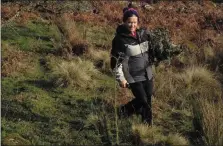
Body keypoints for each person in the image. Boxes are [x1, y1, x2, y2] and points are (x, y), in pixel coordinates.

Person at [110, 7, 154, 125]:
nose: (132, 25)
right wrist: (121, 78)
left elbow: (152, 50)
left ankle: (148, 124)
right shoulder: (120, 39)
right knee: (142, 99)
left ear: (138, 22)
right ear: (124, 22)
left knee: (148, 98)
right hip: (133, 75)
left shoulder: (144, 34)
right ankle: (123, 111)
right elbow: (115, 61)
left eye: (134, 22)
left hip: (147, 72)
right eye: (129, 22)